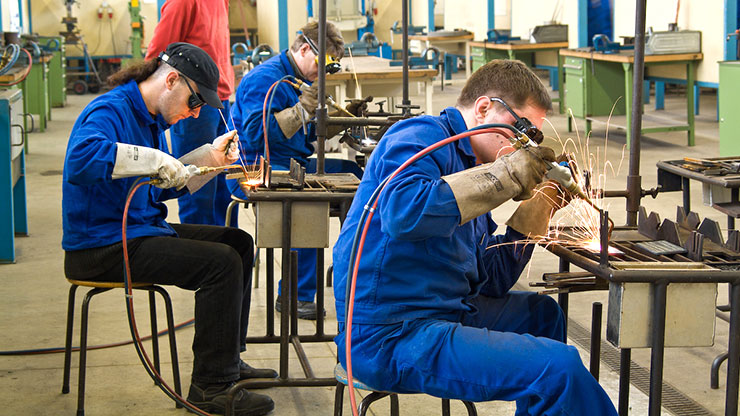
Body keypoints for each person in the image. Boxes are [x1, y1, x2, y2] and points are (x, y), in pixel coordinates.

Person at [332, 60, 618, 415]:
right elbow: (402, 213)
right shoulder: (418, 137)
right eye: (521, 130)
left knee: (544, 316)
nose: (523, 147)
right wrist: (506, 175)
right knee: (558, 369)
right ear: (484, 108)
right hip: (390, 334)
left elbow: (491, 279)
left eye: (533, 138)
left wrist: (539, 207)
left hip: (445, 312)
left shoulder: (473, 168)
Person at [62, 42, 276, 416]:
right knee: (221, 264)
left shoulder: (149, 119)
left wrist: (210, 156)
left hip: (137, 231)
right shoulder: (109, 110)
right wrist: (152, 157)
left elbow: (163, 182)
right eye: (194, 103)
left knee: (238, 243)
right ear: (172, 80)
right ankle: (210, 389)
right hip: (100, 246)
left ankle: (226, 360)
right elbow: (80, 160)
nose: (194, 114)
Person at [229, 21, 366, 320]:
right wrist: (303, 109)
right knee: (307, 198)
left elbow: (303, 135)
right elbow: (255, 133)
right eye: (323, 63)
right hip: (259, 166)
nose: (323, 72)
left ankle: (351, 267)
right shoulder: (265, 79)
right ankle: (294, 295)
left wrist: (342, 121)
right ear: (304, 49)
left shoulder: (297, 78)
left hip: (292, 161)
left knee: (363, 181)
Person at [145, 0, 237, 227]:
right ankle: (203, 249)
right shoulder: (182, 2)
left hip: (221, 98)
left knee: (225, 186)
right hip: (194, 100)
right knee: (197, 185)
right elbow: (158, 55)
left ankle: (229, 247)